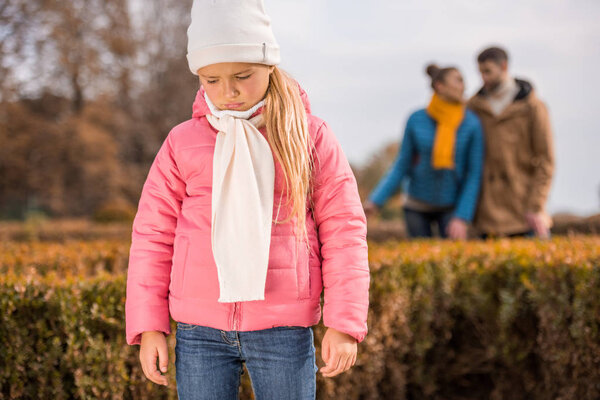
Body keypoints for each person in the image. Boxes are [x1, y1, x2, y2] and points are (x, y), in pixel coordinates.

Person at [124, 1, 370, 399]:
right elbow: (152, 235)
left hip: (282, 329)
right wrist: (149, 324)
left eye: (242, 75)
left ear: (269, 66)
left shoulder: (309, 136)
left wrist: (344, 322)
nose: (229, 92)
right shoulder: (181, 143)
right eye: (211, 80)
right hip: (199, 331)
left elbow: (344, 231)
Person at [364, 64, 484, 240]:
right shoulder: (416, 120)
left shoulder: (472, 124)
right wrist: (375, 201)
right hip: (417, 205)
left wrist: (462, 216)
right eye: (458, 81)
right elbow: (401, 165)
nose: (463, 86)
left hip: (452, 206)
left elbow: (474, 174)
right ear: (439, 86)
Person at [467, 46, 555, 239]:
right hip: (486, 213)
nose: (483, 78)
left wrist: (537, 205)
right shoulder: (473, 107)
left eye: (488, 71)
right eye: (480, 72)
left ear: (504, 67)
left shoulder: (533, 107)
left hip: (524, 208)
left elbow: (546, 159)